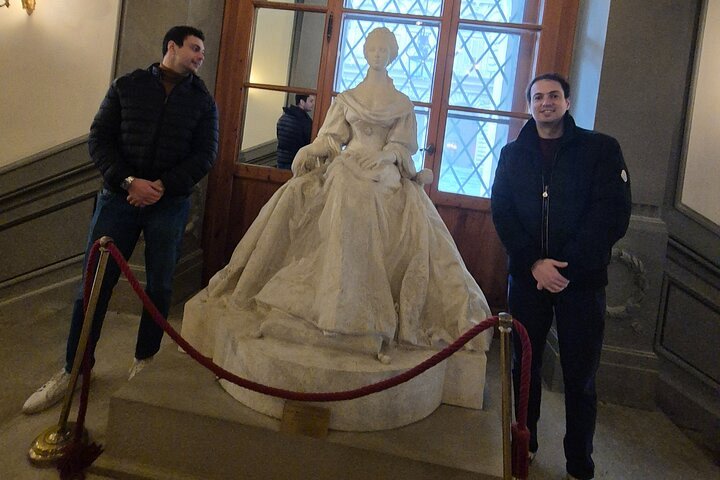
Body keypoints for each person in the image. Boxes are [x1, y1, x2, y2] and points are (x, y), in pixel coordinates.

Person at [182, 27, 491, 361]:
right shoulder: (348, 98)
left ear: (391, 56)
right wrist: (309, 149)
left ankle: (364, 306)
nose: (377, 55)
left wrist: (385, 156)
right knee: (340, 183)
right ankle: (335, 300)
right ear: (366, 53)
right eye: (373, 49)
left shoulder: (401, 104)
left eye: (383, 50)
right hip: (350, 162)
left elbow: (401, 146)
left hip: (384, 168)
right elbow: (331, 139)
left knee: (371, 196)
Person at [23, 25, 219, 414]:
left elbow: (205, 154)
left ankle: (144, 361)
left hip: (168, 203)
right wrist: (130, 181)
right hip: (118, 199)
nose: (201, 56)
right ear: (172, 46)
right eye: (195, 48)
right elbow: (99, 139)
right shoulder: (127, 86)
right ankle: (74, 369)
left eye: (202, 51)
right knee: (93, 286)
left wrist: (161, 186)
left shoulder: (203, 102)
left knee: (159, 288)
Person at [491, 73, 631, 480]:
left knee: (580, 377)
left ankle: (579, 464)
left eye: (554, 96)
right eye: (538, 97)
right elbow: (503, 212)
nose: (546, 102)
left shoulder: (601, 150)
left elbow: (611, 214)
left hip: (580, 283)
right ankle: (525, 446)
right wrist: (535, 263)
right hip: (528, 280)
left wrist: (564, 266)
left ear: (567, 102)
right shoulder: (512, 155)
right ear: (529, 105)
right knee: (524, 369)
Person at [275, 94, 315, 169]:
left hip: (281, 160)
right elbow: (309, 142)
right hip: (296, 162)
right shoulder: (304, 121)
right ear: (302, 102)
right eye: (311, 101)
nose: (313, 104)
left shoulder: (283, 118)